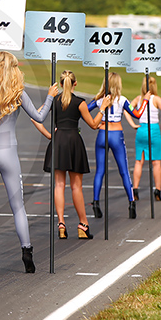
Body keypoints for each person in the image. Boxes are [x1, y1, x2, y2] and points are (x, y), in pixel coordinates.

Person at [0, 51, 58, 273]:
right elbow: (40, 116)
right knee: (18, 208)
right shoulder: (18, 92)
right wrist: (50, 96)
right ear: (14, 69)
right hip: (8, 153)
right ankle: (27, 252)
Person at [32, 70, 112, 240]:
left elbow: (35, 118)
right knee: (76, 186)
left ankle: (61, 223)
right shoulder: (79, 102)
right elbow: (93, 124)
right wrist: (103, 108)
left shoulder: (53, 100)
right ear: (75, 83)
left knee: (59, 185)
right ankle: (83, 224)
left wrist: (48, 135)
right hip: (74, 141)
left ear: (61, 84)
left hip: (58, 140)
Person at [88, 72, 149, 219]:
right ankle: (131, 202)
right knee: (123, 170)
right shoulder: (122, 100)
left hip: (102, 134)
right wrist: (145, 100)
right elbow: (138, 114)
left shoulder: (99, 99)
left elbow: (83, 110)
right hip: (116, 135)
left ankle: (96, 202)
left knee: (99, 171)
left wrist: (94, 123)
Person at [130, 76, 161, 201]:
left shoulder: (139, 99)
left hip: (141, 129)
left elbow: (128, 108)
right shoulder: (156, 99)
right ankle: (157, 189)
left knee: (138, 161)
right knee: (156, 162)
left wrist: (132, 122)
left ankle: (135, 189)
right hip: (153, 130)